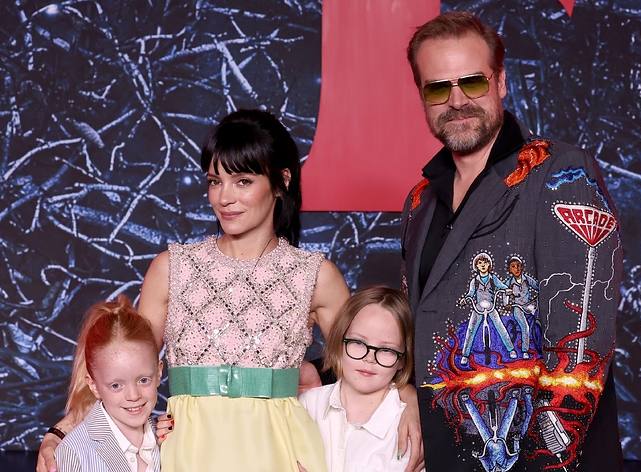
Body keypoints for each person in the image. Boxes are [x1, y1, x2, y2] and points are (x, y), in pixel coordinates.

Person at [38, 109, 423, 472]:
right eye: (215, 181)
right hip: (189, 450)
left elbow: (372, 359)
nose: (224, 197)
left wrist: (410, 403)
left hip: (282, 452)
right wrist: (61, 431)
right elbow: (122, 368)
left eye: (243, 181)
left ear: (281, 182)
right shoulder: (171, 268)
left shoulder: (315, 275)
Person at [400, 11, 623, 472]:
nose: (457, 101)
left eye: (473, 83)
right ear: (422, 97)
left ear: (501, 82)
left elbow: (581, 349)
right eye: (439, 88)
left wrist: (543, 459)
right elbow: (421, 329)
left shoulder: (562, 174)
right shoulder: (420, 199)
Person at [298, 285, 415, 472]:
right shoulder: (307, 405)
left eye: (386, 350)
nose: (369, 358)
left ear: (403, 359)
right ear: (340, 341)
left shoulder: (407, 427)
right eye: (359, 343)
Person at [54, 295, 162, 472]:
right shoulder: (73, 452)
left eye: (143, 380)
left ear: (158, 373)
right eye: (116, 385)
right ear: (93, 385)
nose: (133, 395)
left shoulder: (169, 439)